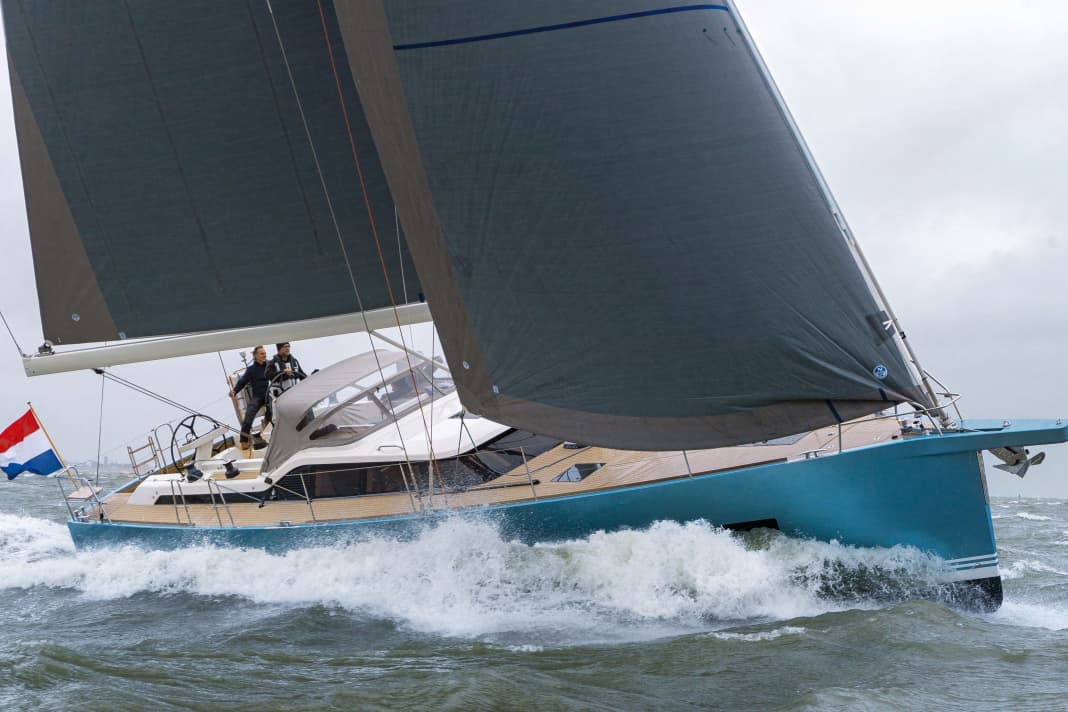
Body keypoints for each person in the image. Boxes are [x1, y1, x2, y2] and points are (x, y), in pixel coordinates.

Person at [229, 345, 270, 449]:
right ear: (255, 356)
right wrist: (234, 391)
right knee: (248, 416)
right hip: (258, 397)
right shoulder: (251, 370)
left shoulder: (270, 365)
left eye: (264, 353)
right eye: (261, 353)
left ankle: (267, 419)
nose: (264, 355)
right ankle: (244, 441)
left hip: (270, 394)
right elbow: (242, 382)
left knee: (274, 408)